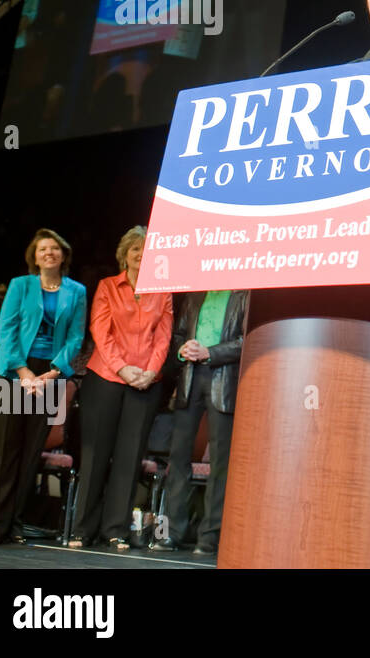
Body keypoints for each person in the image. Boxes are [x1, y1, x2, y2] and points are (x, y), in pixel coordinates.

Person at [0, 229, 86, 545]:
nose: (49, 253)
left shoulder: (76, 291)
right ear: (34, 256)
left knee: (29, 453)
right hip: (12, 371)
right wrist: (23, 372)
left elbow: (76, 337)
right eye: (42, 249)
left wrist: (53, 373)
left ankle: (13, 523)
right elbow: (6, 330)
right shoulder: (20, 285)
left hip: (49, 374)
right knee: (3, 449)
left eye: (54, 248)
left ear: (63, 255)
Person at [72, 226, 173, 550]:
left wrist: (150, 371)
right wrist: (122, 368)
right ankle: (82, 529)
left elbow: (164, 336)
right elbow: (100, 331)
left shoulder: (164, 290)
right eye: (135, 250)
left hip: (145, 381)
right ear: (124, 254)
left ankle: (115, 528)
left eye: (146, 250)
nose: (141, 256)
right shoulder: (107, 287)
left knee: (130, 458)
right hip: (106, 377)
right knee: (96, 454)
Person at [150, 289, 247, 555]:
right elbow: (178, 336)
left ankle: (210, 537)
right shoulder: (195, 296)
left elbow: (246, 339)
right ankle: (170, 533)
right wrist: (183, 349)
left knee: (220, 463)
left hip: (223, 380)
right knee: (177, 458)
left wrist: (210, 352)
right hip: (190, 379)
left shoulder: (245, 294)